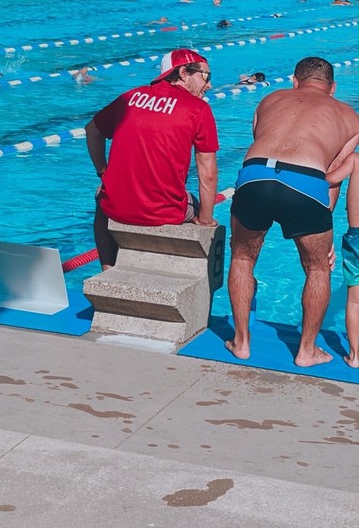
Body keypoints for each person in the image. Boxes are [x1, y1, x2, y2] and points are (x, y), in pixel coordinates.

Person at [225, 56, 359, 366]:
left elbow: (263, 140)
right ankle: (307, 350)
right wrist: (324, 225)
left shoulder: (270, 99)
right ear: (333, 87)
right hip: (306, 180)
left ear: (294, 81)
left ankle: (241, 342)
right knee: (316, 268)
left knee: (243, 258)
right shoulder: (350, 117)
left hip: (255, 175)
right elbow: (331, 176)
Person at [85, 49, 219, 268]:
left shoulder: (130, 97)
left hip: (116, 207)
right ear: (184, 73)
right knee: (195, 202)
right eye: (206, 76)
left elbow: (92, 131)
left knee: (103, 198)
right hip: (163, 211)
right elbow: (208, 174)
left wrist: (103, 172)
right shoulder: (199, 109)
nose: (209, 85)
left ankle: (107, 268)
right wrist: (205, 220)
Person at [340, 155, 359, 366]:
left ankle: (355, 356)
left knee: (355, 300)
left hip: (357, 239)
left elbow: (329, 178)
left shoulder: (354, 160)